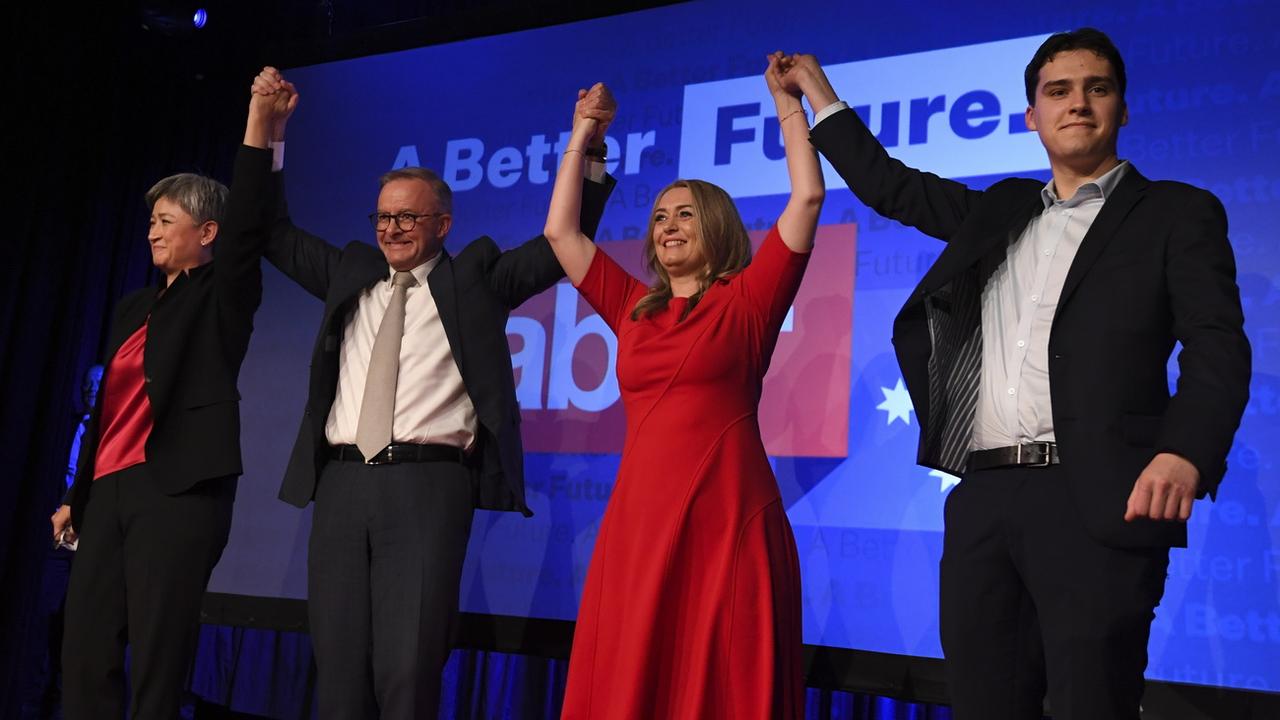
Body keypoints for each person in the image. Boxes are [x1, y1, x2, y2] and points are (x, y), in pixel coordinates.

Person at [777, 28, 1251, 720]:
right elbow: (892, 187)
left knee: (1095, 704)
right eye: (1058, 91)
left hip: (1098, 500)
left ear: (1123, 107)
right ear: (1032, 116)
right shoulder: (1001, 211)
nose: (1078, 104)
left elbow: (1218, 346)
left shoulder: (1177, 213)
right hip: (987, 497)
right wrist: (817, 94)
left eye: (1097, 89)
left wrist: (1184, 451)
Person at [247, 68, 616, 719]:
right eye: (383, 217)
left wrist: (586, 142)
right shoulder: (350, 274)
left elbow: (562, 247)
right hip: (340, 483)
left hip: (428, 486)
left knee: (408, 666)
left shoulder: (477, 277)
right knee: (336, 667)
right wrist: (268, 129)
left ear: (443, 223)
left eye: (407, 217)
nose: (391, 230)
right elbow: (271, 231)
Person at [544, 58, 823, 718]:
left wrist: (788, 105)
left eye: (686, 215)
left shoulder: (748, 302)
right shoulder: (633, 306)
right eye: (661, 216)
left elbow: (807, 197)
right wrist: (582, 135)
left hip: (726, 518)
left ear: (717, 228)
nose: (668, 225)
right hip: (640, 521)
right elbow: (561, 231)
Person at [48, 75, 293, 719]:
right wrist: (78, 495)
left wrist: (260, 122)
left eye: (166, 221)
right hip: (111, 490)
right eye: (150, 221)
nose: (152, 232)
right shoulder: (133, 305)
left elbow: (247, 226)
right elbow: (106, 411)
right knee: (84, 648)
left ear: (206, 232)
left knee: (159, 652)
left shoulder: (222, 294)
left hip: (178, 490)